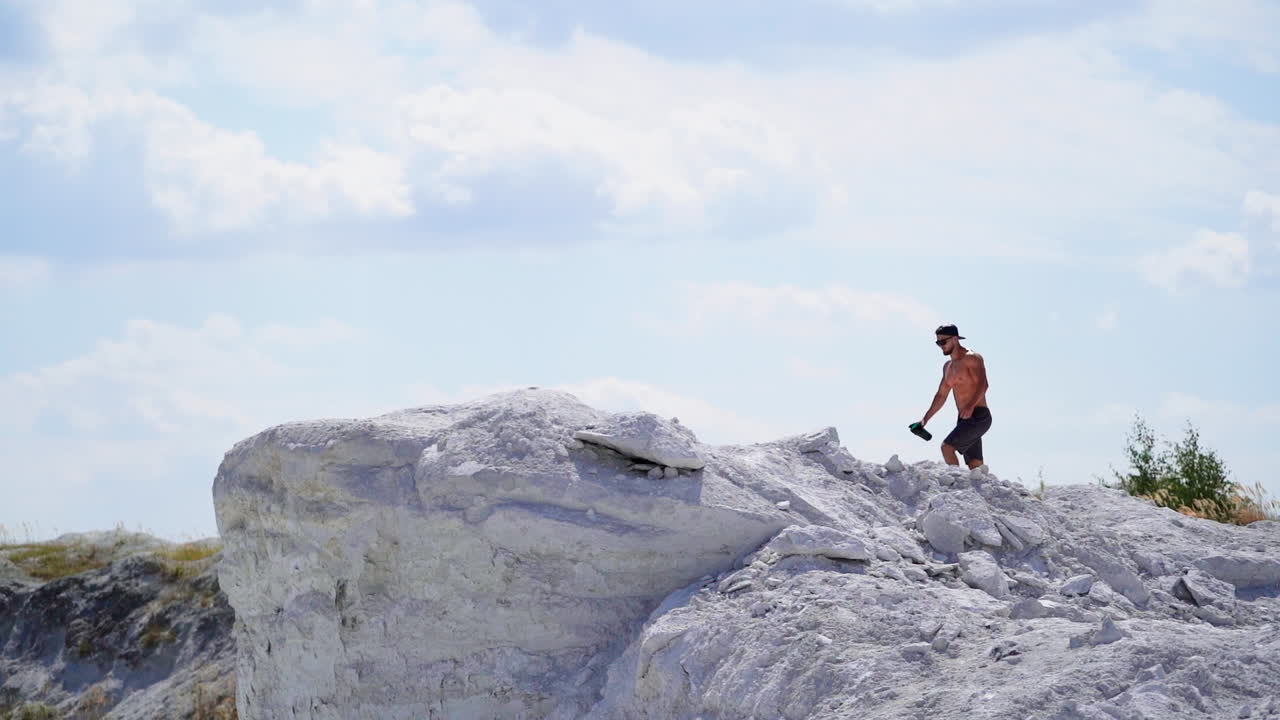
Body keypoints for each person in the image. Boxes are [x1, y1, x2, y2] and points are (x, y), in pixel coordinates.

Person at [918, 324, 991, 470]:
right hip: (964, 419)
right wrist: (925, 419)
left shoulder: (972, 358)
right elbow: (941, 395)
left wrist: (970, 406)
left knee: (947, 447)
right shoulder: (948, 367)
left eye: (943, 342)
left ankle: (957, 485)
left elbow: (983, 385)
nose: (941, 346)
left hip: (978, 416)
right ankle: (983, 491)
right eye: (938, 343)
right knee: (975, 465)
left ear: (956, 339)